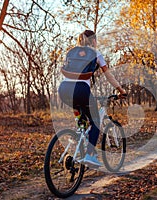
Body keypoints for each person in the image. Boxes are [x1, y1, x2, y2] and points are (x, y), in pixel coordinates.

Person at [58, 30, 126, 167]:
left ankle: (79, 137)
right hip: (81, 90)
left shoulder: (71, 52)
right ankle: (89, 154)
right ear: (93, 40)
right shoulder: (96, 53)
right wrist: (120, 90)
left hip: (64, 89)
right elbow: (108, 75)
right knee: (96, 121)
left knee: (82, 120)